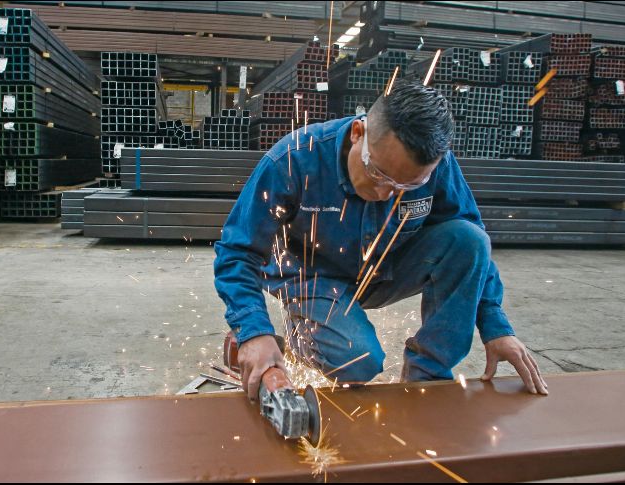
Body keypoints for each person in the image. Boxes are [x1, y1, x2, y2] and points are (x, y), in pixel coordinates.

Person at [214, 79, 548, 401]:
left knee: (469, 238)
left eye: (406, 186)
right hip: (314, 279)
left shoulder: (436, 164)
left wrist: (495, 325)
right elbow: (237, 252)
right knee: (357, 362)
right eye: (378, 174)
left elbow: (471, 245)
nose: (385, 194)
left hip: (385, 268)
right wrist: (252, 329)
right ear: (359, 134)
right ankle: (292, 337)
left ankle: (426, 378)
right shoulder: (294, 159)